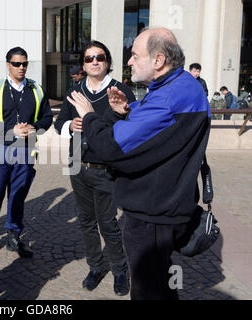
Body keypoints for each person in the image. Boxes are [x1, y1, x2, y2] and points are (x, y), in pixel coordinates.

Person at [67, 27, 210, 300]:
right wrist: (124, 112)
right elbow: (152, 134)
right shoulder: (179, 85)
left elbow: (113, 147)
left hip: (152, 216)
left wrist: (89, 116)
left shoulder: (168, 96)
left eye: (134, 55)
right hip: (164, 209)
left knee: (148, 291)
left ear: (158, 61)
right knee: (162, 287)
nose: (129, 61)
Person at [54, 40, 133, 296]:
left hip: (106, 168)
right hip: (77, 164)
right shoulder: (75, 90)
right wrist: (70, 126)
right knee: (86, 221)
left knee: (108, 222)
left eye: (99, 57)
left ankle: (119, 270)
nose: (94, 61)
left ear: (107, 61)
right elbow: (59, 123)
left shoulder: (120, 90)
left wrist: (93, 120)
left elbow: (130, 128)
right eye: (89, 58)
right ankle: (96, 266)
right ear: (84, 65)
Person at [0, 46, 53, 263]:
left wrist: (35, 128)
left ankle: (14, 236)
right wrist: (11, 131)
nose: (22, 68)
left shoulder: (36, 89)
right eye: (17, 64)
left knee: (18, 196)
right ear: (8, 64)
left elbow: (47, 118)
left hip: (26, 149)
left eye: (25, 64)